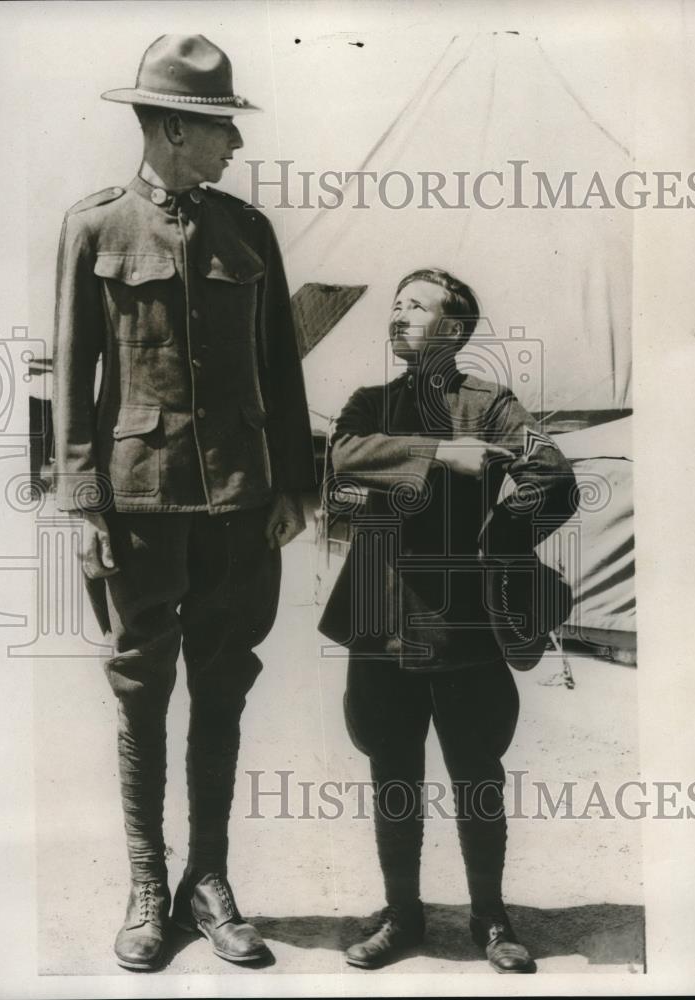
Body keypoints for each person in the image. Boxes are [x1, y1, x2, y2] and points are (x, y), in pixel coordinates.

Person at [52, 35, 314, 971]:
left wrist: (295, 485)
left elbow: (281, 369)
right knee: (141, 690)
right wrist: (85, 503)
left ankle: (209, 879)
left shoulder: (249, 231)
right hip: (140, 501)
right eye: (219, 131)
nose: (234, 149)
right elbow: (76, 368)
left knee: (224, 683)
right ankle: (146, 882)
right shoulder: (95, 228)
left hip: (243, 504)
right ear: (171, 127)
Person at [318, 268, 579, 973]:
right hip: (376, 611)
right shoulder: (369, 403)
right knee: (391, 768)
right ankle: (401, 915)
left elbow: (551, 475)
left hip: (460, 616)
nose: (397, 314)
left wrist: (499, 541)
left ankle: (490, 919)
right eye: (395, 304)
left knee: (475, 772)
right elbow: (339, 456)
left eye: (416, 306)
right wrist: (442, 455)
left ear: (455, 330)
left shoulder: (491, 405)